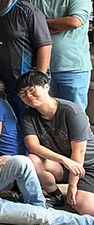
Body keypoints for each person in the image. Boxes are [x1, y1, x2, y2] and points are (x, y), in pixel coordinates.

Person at [19, 70, 94, 213]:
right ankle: (57, 196)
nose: (28, 96)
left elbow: (79, 152)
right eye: (23, 93)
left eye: (31, 90)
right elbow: (32, 146)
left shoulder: (71, 111)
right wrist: (64, 160)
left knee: (83, 207)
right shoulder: (27, 114)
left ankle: (77, 189)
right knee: (32, 160)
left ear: (46, 87)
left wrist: (72, 186)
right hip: (64, 164)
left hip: (88, 165)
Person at [26, 0, 92, 110]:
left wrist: (40, 24)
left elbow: (75, 21)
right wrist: (60, 23)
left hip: (73, 67)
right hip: (44, 69)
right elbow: (27, 28)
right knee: (48, 115)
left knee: (75, 115)